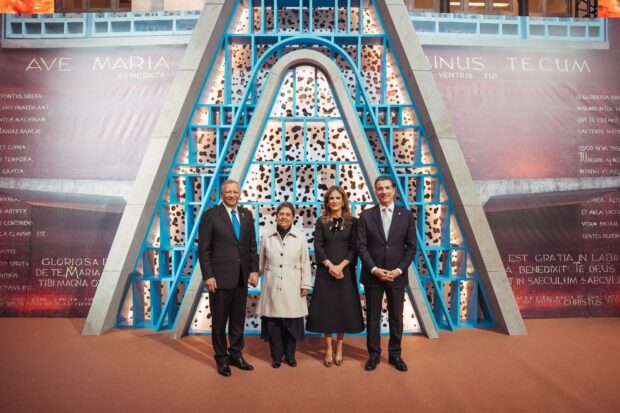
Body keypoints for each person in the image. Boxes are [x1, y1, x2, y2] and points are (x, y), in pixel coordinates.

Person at [198, 180, 259, 377]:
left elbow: (252, 246)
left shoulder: (246, 215)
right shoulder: (211, 215)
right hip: (219, 278)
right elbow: (204, 250)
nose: (232, 195)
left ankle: (236, 355)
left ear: (239, 194)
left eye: (235, 192)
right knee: (219, 321)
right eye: (228, 192)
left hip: (241, 277)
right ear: (222, 194)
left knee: (237, 320)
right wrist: (208, 276)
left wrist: (254, 270)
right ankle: (221, 358)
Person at [356, 176, 416, 372]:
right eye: (380, 188)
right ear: (376, 191)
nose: (384, 192)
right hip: (373, 275)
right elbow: (361, 246)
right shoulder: (366, 216)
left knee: (396, 317)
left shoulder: (406, 216)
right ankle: (373, 355)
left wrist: (398, 270)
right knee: (373, 317)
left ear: (394, 190)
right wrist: (374, 269)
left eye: (387, 188)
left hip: (397, 276)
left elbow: (411, 248)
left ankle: (395, 354)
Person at [307, 186, 364, 367]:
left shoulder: (353, 222)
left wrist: (340, 267)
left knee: (342, 310)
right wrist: (331, 266)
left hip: (345, 272)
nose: (334, 201)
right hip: (326, 272)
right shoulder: (321, 221)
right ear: (327, 202)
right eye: (331, 198)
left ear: (343, 200)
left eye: (337, 198)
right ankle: (328, 349)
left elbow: (354, 247)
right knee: (327, 311)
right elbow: (318, 246)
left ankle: (339, 347)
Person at [255, 202, 313, 368]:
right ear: (276, 216)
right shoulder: (267, 236)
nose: (284, 217)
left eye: (288, 214)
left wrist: (305, 284)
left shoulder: (300, 237)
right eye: (281, 214)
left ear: (293, 217)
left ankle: (290, 355)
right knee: (274, 323)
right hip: (272, 284)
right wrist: (255, 275)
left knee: (291, 322)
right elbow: (261, 261)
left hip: (293, 284)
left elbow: (305, 262)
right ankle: (276, 356)